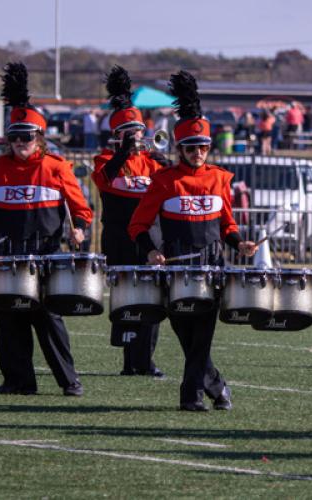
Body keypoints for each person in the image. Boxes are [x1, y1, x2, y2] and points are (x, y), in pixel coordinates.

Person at [128, 70, 257, 411]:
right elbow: (137, 224)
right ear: (180, 149)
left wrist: (240, 243)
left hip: (212, 268)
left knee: (203, 335)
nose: (198, 152)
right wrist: (152, 250)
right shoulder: (165, 181)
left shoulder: (219, 179)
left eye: (202, 146)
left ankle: (191, 397)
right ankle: (218, 387)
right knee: (188, 338)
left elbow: (226, 223)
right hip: (175, 270)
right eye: (191, 147)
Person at [0, 62, 93, 396]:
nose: (20, 142)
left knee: (48, 320)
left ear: (39, 138)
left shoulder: (56, 167)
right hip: (5, 255)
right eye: (15, 137)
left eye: (27, 136)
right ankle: (18, 381)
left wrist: (79, 228)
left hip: (46, 256)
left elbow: (81, 208)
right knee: (8, 320)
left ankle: (69, 381)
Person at [92, 65, 166, 378]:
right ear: (117, 135)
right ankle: (128, 361)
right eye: (129, 132)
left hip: (149, 240)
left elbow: (171, 186)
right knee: (126, 300)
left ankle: (146, 361)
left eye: (137, 130)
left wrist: (165, 163)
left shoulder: (151, 162)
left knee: (151, 299)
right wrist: (123, 153)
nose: (136, 136)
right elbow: (105, 180)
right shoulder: (105, 161)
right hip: (120, 239)